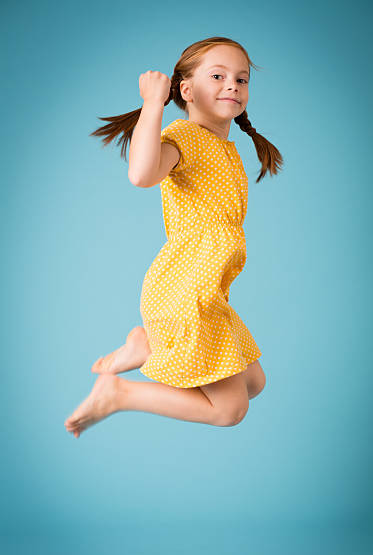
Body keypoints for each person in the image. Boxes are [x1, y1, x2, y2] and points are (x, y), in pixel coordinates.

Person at [64, 36, 284, 438]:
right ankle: (119, 393)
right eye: (218, 76)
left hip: (209, 288)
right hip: (187, 289)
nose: (232, 85)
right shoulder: (184, 136)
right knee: (229, 409)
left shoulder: (227, 149)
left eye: (241, 78)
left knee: (255, 382)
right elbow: (142, 174)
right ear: (186, 90)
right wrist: (152, 104)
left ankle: (144, 343)